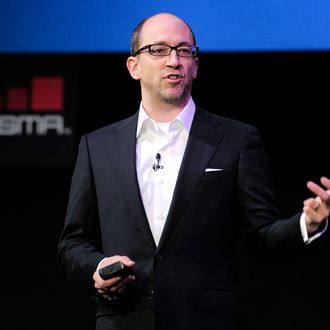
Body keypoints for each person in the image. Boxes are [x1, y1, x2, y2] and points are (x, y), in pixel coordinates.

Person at [57, 12, 330, 330]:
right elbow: (72, 244)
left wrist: (307, 225)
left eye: (184, 50)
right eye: (158, 50)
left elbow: (261, 238)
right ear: (134, 66)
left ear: (195, 66)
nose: (173, 60)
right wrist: (99, 267)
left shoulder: (236, 140)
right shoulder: (97, 146)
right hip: (124, 321)